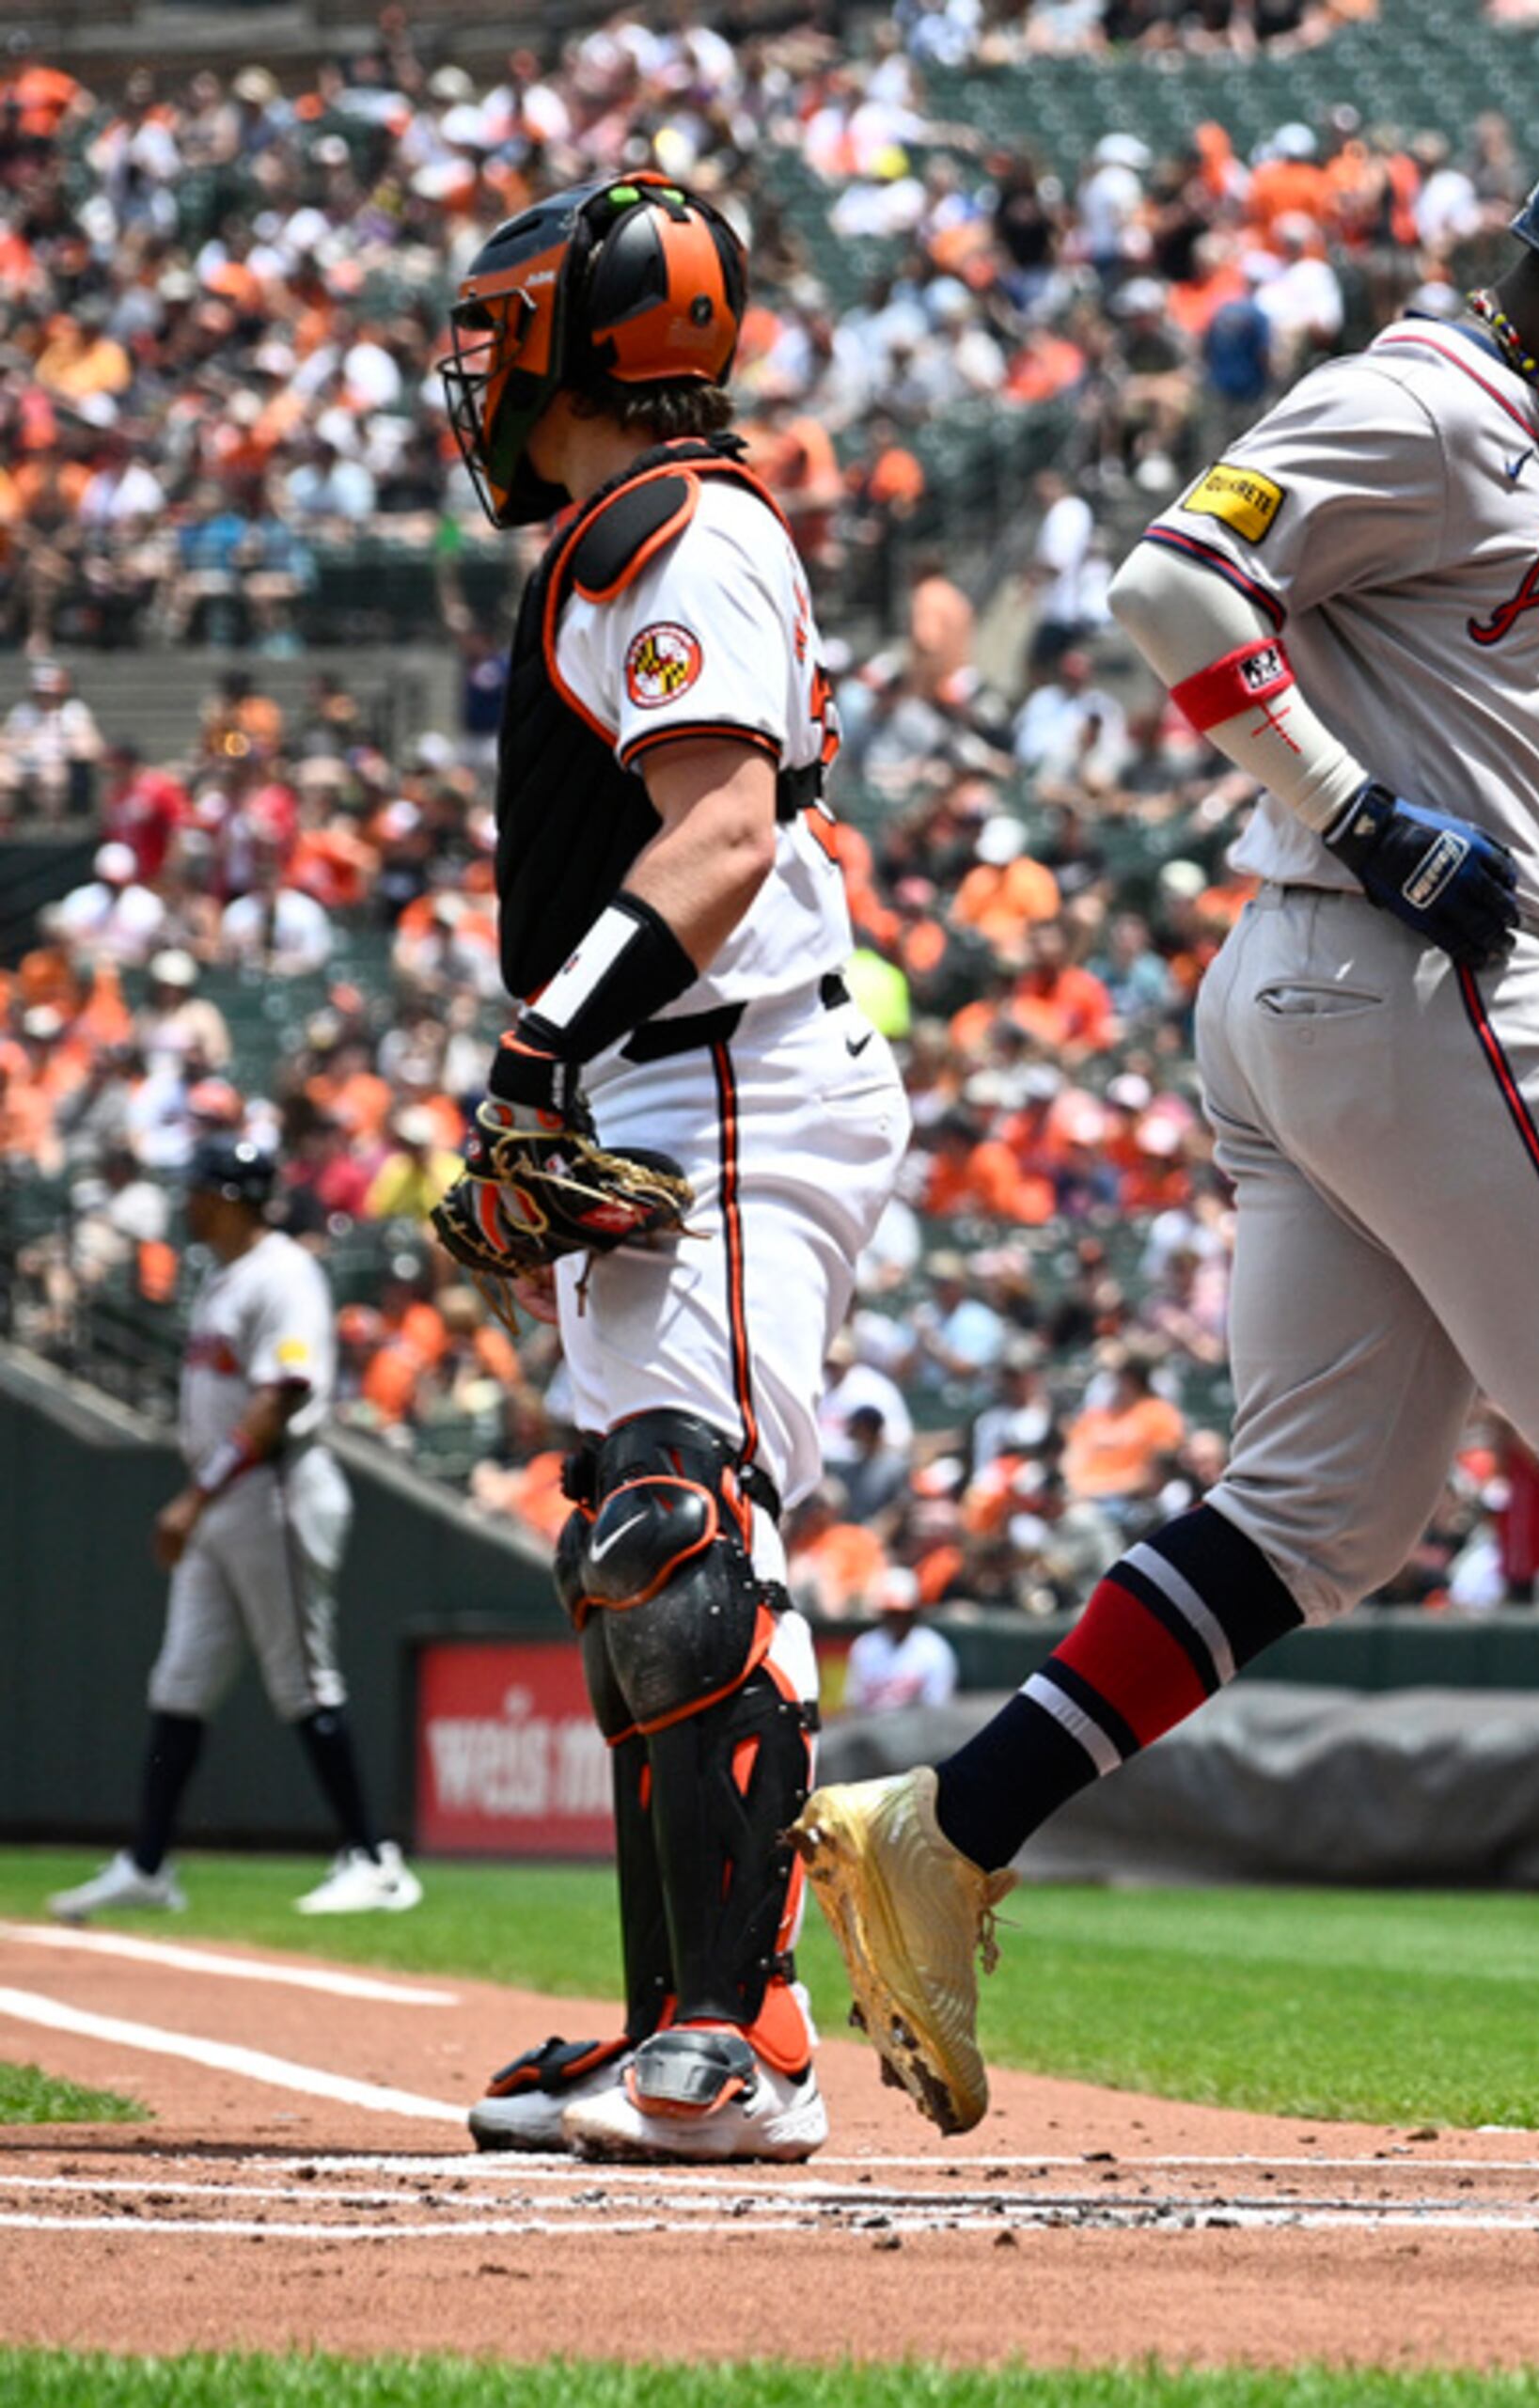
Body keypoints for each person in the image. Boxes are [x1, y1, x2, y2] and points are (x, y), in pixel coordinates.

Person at [795, 118, 1539, 2142]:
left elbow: (1389, 650)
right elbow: (1175, 577)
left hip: (1315, 989)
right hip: (1414, 970)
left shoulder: (1490, 437)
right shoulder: (1435, 403)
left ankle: (949, 1824)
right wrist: (1361, 804)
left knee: (1323, 1507)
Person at [427, 174, 911, 2165]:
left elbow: (716, 838)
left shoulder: (680, 526)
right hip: (679, 1074)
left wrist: (547, 1035)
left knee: (679, 1529)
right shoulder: (636, 532)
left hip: (715, 1071)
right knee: (637, 1543)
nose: (472, 377)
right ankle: (674, 2026)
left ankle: (742, 2040)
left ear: (573, 338)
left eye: (497, 334)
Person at [52, 1138, 418, 1928]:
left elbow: (282, 1394)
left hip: (276, 1491)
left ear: (230, 1194)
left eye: (200, 1188)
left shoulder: (284, 1271)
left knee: (304, 1680)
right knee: (179, 1681)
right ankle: (148, 1863)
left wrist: (197, 1493)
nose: (189, 1199)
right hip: (228, 1497)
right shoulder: (227, 1274)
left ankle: (372, 1857)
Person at [845, 1572, 960, 1716]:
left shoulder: (934, 1649)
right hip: (872, 1733)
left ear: (914, 1612)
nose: (897, 1620)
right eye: (892, 1613)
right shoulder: (865, 1646)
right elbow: (854, 1706)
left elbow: (938, 1711)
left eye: (903, 1613)